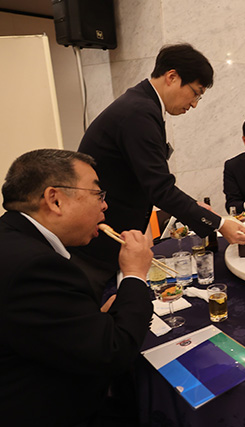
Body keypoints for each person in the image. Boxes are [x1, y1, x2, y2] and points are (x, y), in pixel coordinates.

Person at [73, 43, 245, 297]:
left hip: (110, 232)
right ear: (172, 77)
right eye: (195, 93)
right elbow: (160, 189)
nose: (194, 104)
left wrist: (196, 207)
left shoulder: (142, 104)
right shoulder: (139, 112)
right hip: (99, 238)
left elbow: (149, 178)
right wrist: (220, 224)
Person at [0, 149, 153, 426]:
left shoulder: (14, 239)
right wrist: (134, 273)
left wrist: (93, 319)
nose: (105, 206)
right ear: (55, 199)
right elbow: (113, 352)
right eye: (98, 194)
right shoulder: (34, 266)